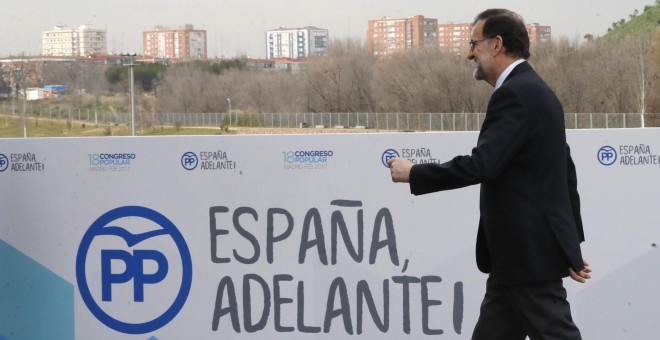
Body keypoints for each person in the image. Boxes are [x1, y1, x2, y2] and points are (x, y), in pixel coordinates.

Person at [387, 8, 592, 340]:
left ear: (497, 44)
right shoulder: (536, 91)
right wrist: (569, 245)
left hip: (528, 258)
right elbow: (563, 171)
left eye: (474, 44)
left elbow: (483, 164)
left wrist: (415, 173)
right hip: (515, 258)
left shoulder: (516, 94)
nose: (469, 53)